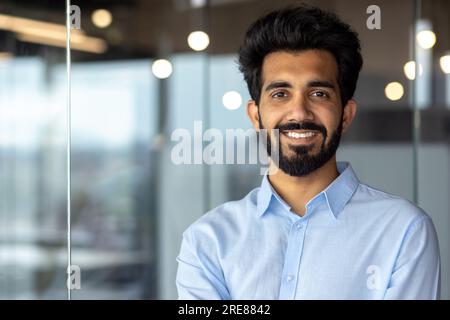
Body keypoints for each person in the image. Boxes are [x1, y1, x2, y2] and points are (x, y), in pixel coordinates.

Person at [176, 5, 440, 299]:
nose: (299, 111)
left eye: (319, 94)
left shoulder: (404, 231)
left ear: (346, 115)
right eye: (280, 94)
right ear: (255, 116)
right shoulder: (207, 241)